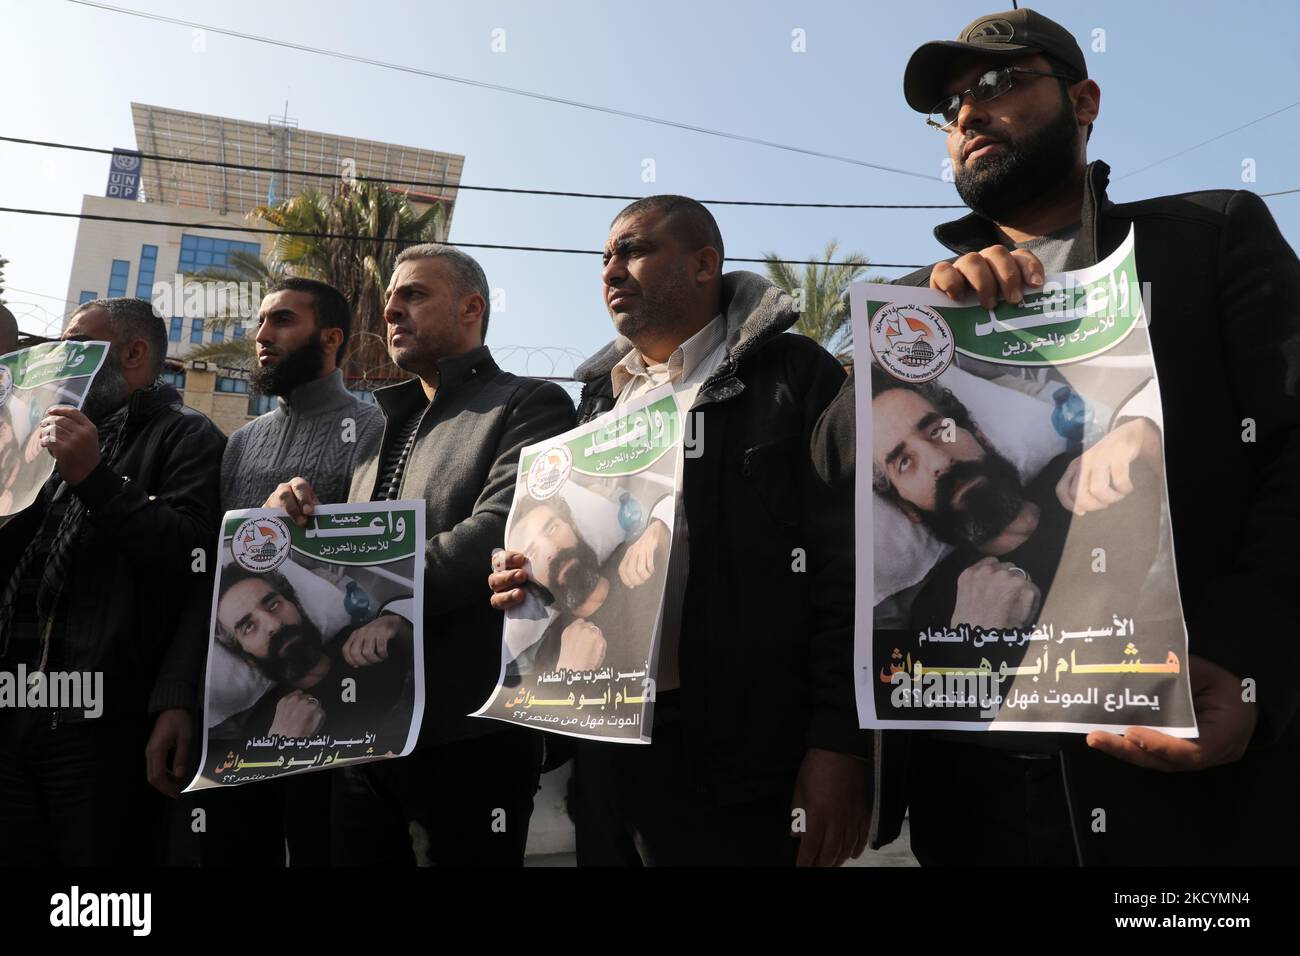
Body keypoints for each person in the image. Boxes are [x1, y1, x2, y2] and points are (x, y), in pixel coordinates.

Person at [817, 7, 1300, 865]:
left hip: (1181, 787)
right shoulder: (905, 312)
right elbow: (826, 477)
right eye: (952, 105)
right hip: (968, 801)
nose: (969, 113)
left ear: (1084, 100)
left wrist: (1250, 661)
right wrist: (900, 347)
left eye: (999, 83)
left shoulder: (1207, 238)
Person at [489, 195, 867, 867]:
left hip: (746, 758)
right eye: (605, 257)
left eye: (634, 250)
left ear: (703, 264)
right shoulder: (601, 400)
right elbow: (581, 543)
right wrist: (523, 578)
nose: (611, 270)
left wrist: (838, 743)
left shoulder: (792, 376)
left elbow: (850, 569)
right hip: (607, 745)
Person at [265, 243, 576, 866]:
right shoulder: (381, 429)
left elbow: (498, 531)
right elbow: (349, 547)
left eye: (414, 295)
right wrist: (290, 521)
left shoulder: (529, 404)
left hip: (469, 733)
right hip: (363, 737)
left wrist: (367, 595)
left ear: (472, 308)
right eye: (388, 302)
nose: (392, 312)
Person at [145, 276, 384, 867]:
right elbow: (211, 580)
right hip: (240, 738)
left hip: (342, 720)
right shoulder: (241, 444)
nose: (261, 336)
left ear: (330, 337)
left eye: (281, 321)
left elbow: (376, 568)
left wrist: (313, 526)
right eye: (259, 323)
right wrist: (178, 699)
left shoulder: (374, 429)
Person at [0, 297, 225, 865]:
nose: (59, 356)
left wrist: (96, 479)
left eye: (77, 343)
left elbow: (193, 558)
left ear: (132, 353)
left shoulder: (186, 436)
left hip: (100, 723)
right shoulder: (39, 440)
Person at [867, 364, 1163, 630]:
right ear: (907, 510)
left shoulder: (1085, 466)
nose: (940, 463)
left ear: (978, 434)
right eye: (904, 462)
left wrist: (1146, 432)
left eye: (937, 431)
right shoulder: (942, 611)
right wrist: (974, 635)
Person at [212, 567, 414, 747]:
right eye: (249, 627)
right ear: (246, 657)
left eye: (273, 605)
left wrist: (401, 625)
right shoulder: (265, 728)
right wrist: (280, 746)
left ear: (296, 605)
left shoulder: (364, 635)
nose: (274, 625)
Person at [504, 492, 669, 676]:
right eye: (532, 554)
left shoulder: (634, 549)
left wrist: (661, 527)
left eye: (551, 529)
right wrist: (569, 675)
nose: (551, 550)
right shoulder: (550, 656)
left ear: (574, 528)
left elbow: (680, 504)